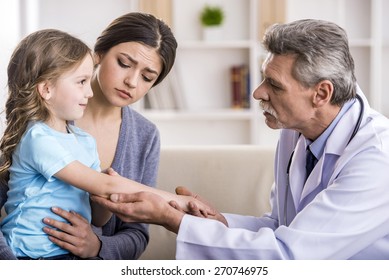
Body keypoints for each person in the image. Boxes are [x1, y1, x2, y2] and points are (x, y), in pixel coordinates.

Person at [93, 19, 389, 259]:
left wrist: (174, 221)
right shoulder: (295, 132)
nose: (257, 93)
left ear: (321, 94)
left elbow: (289, 256)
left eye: (274, 84)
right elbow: (280, 227)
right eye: (263, 78)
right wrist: (214, 220)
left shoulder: (377, 158)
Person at [0, 28, 212, 260]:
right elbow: (105, 186)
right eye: (123, 63)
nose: (131, 82)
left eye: (147, 77)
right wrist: (179, 202)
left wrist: (98, 243)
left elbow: (104, 216)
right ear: (98, 54)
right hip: (26, 257)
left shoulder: (91, 140)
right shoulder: (36, 136)